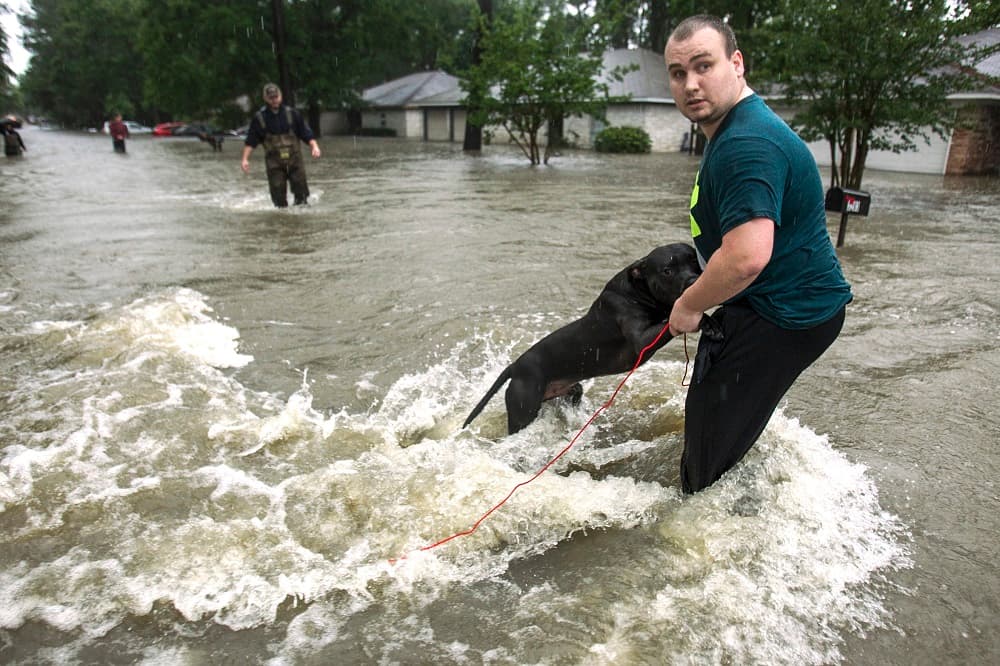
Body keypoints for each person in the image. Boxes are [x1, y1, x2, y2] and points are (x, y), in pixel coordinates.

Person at [663, 15, 853, 494]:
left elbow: (747, 256)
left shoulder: (747, 144)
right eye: (678, 73)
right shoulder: (736, 128)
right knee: (717, 422)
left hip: (785, 314)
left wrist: (689, 305)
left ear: (737, 62)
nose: (691, 84)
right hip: (782, 304)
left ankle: (703, 535)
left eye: (703, 66)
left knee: (702, 464)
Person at [241, 83, 321, 207]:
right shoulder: (259, 118)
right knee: (278, 197)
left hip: (295, 160)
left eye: (276, 97)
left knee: (302, 194)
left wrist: (314, 147)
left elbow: (306, 134)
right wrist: (245, 159)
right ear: (265, 98)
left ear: (281, 96)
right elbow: (251, 141)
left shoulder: (293, 114)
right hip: (274, 163)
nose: (274, 100)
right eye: (271, 97)